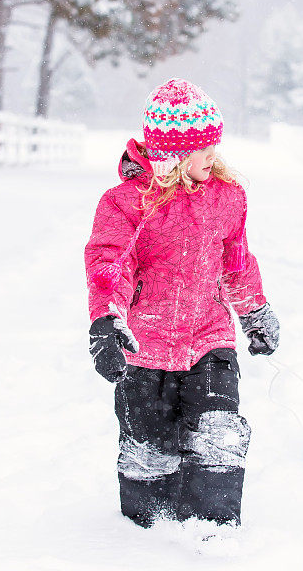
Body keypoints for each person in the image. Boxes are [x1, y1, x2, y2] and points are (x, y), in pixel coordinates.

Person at [84, 78, 280, 530]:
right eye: (203, 146)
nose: (214, 154)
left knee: (218, 435)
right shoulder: (129, 204)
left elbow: (236, 263)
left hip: (209, 337)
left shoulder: (228, 198)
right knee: (149, 447)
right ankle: (149, 533)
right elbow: (109, 263)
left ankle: (213, 528)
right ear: (173, 154)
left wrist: (253, 311)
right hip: (145, 344)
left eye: (214, 143)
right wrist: (106, 321)